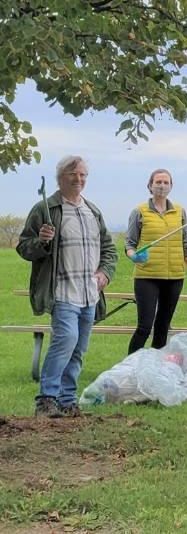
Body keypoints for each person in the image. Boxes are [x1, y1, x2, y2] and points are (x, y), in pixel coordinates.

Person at [16, 156, 118, 418]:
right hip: (62, 291)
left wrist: (105, 273)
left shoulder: (92, 211)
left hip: (89, 293)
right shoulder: (45, 209)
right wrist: (41, 241)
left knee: (79, 348)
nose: (79, 179)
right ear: (61, 178)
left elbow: (108, 249)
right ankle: (46, 399)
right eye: (73, 174)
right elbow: (24, 248)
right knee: (66, 341)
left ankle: (68, 400)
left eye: (83, 174)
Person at [125, 169, 187, 353]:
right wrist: (133, 256)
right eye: (158, 182)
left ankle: (155, 369)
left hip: (174, 277)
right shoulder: (139, 211)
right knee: (144, 326)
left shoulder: (179, 212)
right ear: (150, 186)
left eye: (166, 182)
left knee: (163, 326)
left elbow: (186, 245)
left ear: (171, 186)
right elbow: (129, 243)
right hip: (147, 277)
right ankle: (129, 367)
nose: (162, 185)